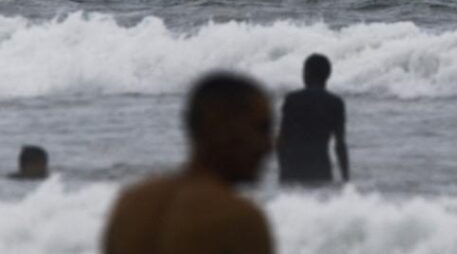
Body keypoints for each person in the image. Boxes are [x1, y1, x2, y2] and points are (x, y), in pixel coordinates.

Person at [103, 72, 274, 254]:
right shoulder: (238, 219)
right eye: (262, 128)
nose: (270, 145)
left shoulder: (131, 205)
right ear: (223, 129)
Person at [278, 53, 349, 185]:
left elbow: (282, 140)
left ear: (306, 73)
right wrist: (346, 179)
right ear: (327, 75)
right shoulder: (335, 102)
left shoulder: (292, 99)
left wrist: (282, 171)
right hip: (320, 167)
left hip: (293, 167)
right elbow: (340, 144)